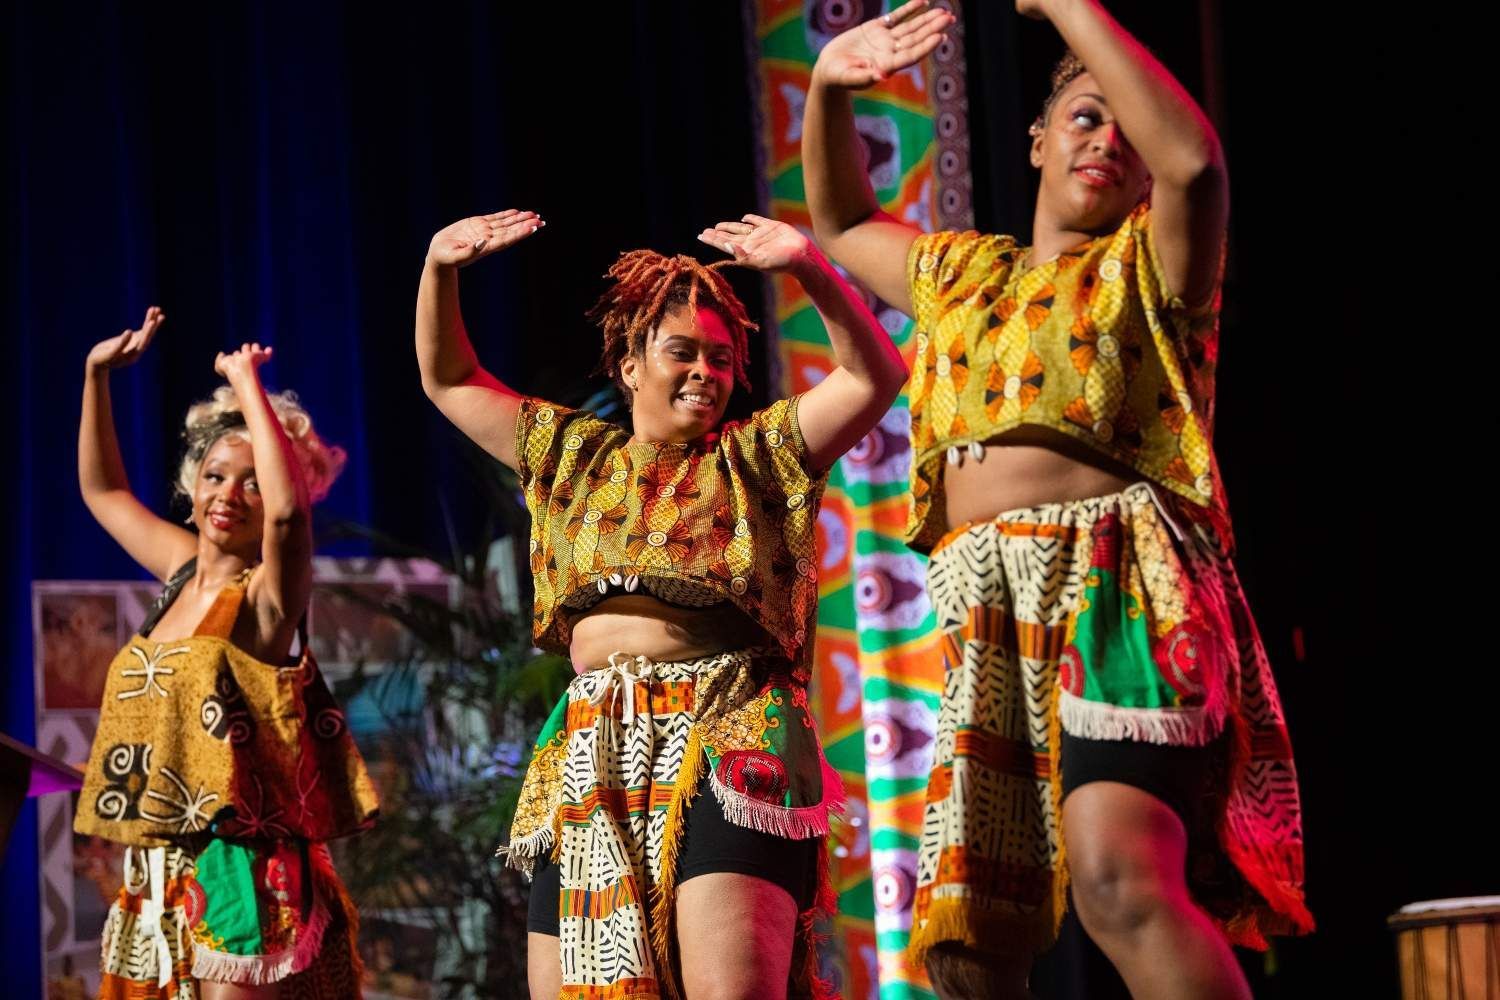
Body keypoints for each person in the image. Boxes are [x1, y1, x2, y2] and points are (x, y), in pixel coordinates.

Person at [802, 3, 1313, 996]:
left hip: (1119, 585)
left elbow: (1197, 167)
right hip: (989, 610)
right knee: (968, 949)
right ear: (1035, 141)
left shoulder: (1154, 265)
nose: (1107, 139)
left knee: (1120, 878)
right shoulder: (959, 274)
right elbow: (844, 220)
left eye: (1124, 125)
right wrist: (826, 82)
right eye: (1084, 116)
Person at [415, 209, 907, 999]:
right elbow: (450, 378)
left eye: (721, 358)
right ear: (629, 364)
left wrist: (811, 267)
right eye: (681, 353)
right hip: (591, 746)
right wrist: (440, 266)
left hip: (727, 728)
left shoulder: (759, 455)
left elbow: (873, 376)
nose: (705, 372)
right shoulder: (569, 455)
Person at [75, 309, 377, 998]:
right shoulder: (182, 572)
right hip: (159, 863)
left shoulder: (267, 598)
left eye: (252, 480)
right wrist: (95, 375)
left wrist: (247, 388)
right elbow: (104, 490)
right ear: (191, 488)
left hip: (241, 865)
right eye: (215, 475)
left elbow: (288, 518)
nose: (229, 494)